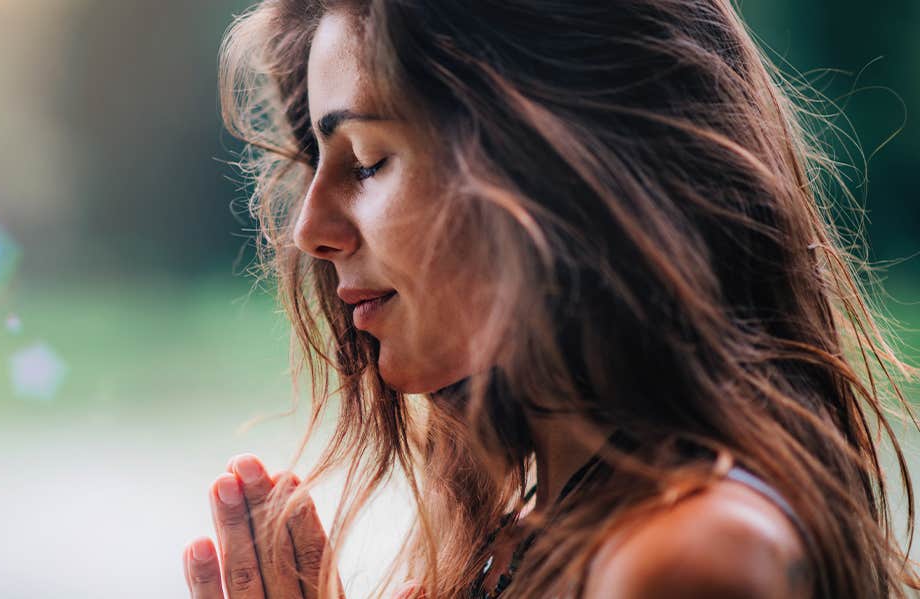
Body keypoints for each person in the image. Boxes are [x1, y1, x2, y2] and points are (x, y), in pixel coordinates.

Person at [183, 1, 920, 597]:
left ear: (550, 158)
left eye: (369, 162)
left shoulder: (687, 560)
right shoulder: (525, 540)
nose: (310, 230)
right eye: (318, 165)